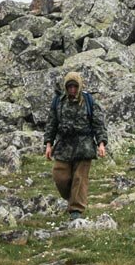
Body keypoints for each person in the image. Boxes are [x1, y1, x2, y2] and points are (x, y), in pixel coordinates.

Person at [44, 71, 108, 220]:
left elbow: (98, 124)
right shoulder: (58, 102)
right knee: (60, 176)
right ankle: (72, 197)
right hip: (63, 145)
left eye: (75, 86)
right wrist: (48, 143)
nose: (72, 89)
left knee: (80, 178)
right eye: (69, 86)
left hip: (84, 145)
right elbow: (51, 124)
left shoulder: (88, 101)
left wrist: (101, 143)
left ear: (79, 86)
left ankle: (76, 210)